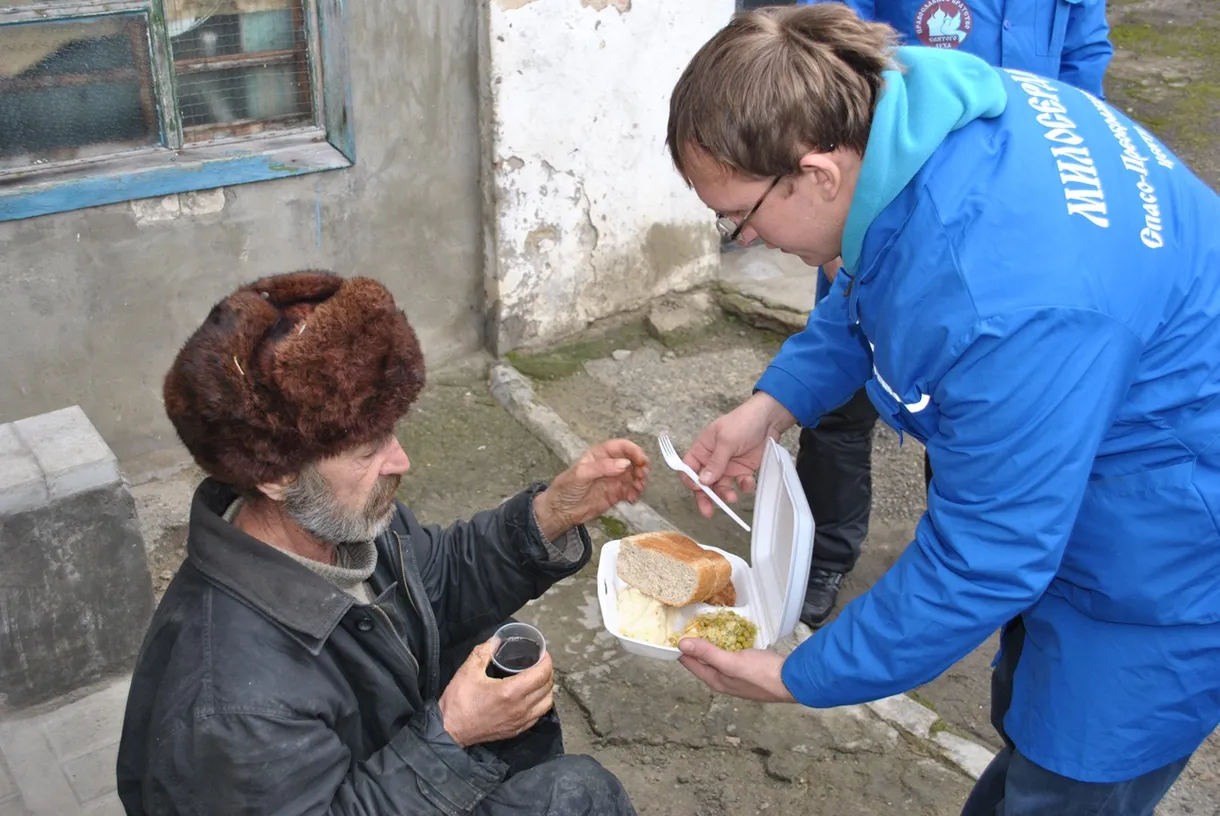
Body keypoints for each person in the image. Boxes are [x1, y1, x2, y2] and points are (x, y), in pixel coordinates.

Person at [666, 6, 1220, 814]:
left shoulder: (1006, 303)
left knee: (1076, 771)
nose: (740, 240)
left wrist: (800, 674)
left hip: (1171, 549)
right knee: (1032, 714)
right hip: (1104, 441)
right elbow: (876, 269)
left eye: (739, 218)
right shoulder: (912, 118)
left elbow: (987, 556)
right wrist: (775, 403)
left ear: (817, 172)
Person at [115, 271, 646, 815]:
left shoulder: (336, 520)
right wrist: (452, 735)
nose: (401, 462)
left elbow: (433, 580)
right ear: (275, 478)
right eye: (369, 450)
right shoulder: (233, 703)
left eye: (391, 433)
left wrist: (553, 512)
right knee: (578, 796)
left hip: (392, 770)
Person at [785, 0, 1113, 628]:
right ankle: (824, 555)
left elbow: (1083, 52)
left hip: (1013, 220)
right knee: (837, 404)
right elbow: (827, 37)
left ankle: (955, 564)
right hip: (879, 206)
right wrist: (839, 220)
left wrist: (1068, 158)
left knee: (973, 416)